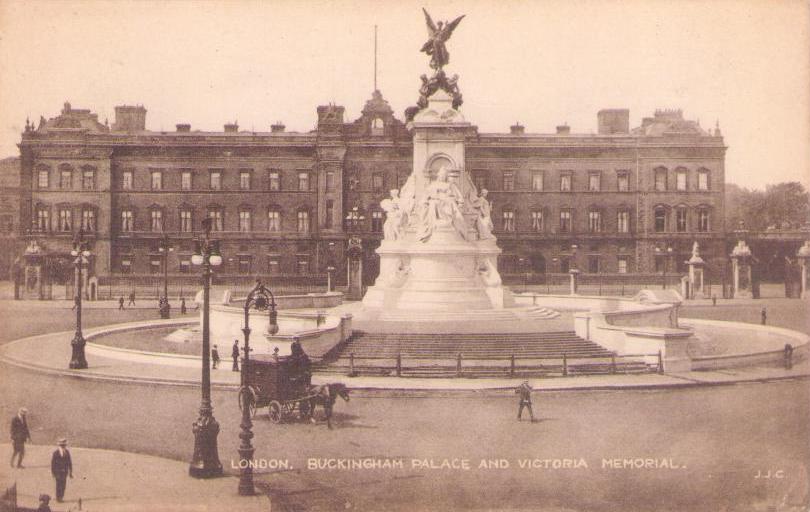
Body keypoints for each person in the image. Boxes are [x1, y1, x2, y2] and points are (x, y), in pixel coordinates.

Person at [51, 438, 73, 503]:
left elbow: (69, 462)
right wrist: (53, 473)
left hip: (64, 472)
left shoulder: (67, 452)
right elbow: (53, 463)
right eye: (62, 445)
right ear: (59, 445)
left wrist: (70, 472)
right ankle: (58, 498)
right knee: (58, 485)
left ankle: (61, 497)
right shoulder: (56, 453)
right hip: (58, 472)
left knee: (63, 485)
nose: (63, 446)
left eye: (64, 445)